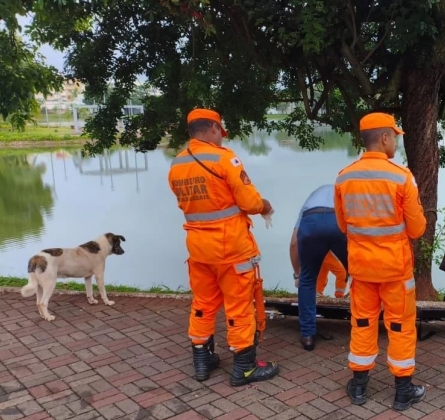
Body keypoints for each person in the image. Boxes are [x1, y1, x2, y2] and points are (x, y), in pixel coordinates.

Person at [167, 108, 280, 386]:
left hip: (198, 247)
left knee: (204, 303)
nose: (221, 138)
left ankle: (202, 359)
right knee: (239, 305)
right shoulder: (225, 158)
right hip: (231, 247)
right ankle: (245, 367)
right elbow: (250, 202)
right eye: (220, 133)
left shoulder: (177, 165)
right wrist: (265, 206)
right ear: (214, 128)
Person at [334, 112, 427, 411]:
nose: (397, 143)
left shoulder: (344, 176)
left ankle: (359, 388)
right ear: (385, 137)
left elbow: (342, 225)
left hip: (361, 269)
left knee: (362, 324)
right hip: (395, 270)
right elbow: (417, 229)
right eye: (396, 137)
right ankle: (403, 392)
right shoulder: (401, 177)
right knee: (400, 327)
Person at [288, 184, 349, 351]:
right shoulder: (345, 195)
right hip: (339, 221)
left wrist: (297, 275)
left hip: (311, 221)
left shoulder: (310, 201)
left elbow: (294, 244)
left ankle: (307, 335)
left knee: (307, 280)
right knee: (358, 276)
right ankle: (361, 327)